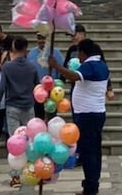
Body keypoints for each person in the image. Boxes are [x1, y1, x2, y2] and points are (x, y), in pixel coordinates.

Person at [50, 39, 110, 195]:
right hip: (95, 114)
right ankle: (91, 185)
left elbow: (73, 76)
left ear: (83, 53)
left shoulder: (91, 65)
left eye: (79, 54)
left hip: (88, 116)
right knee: (93, 151)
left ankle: (90, 188)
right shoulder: (102, 64)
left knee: (89, 153)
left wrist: (56, 66)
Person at [0, 35, 39, 187]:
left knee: (15, 142)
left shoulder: (8, 67)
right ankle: (33, 170)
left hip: (12, 107)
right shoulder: (32, 67)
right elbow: (37, 87)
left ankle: (15, 176)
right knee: (31, 141)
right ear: (26, 49)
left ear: (14, 48)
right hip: (28, 106)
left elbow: (1, 89)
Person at [27, 32, 64, 119]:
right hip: (37, 90)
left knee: (51, 117)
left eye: (44, 38)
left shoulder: (56, 53)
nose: (41, 41)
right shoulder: (31, 53)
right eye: (39, 38)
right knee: (38, 116)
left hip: (52, 91)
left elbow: (62, 71)